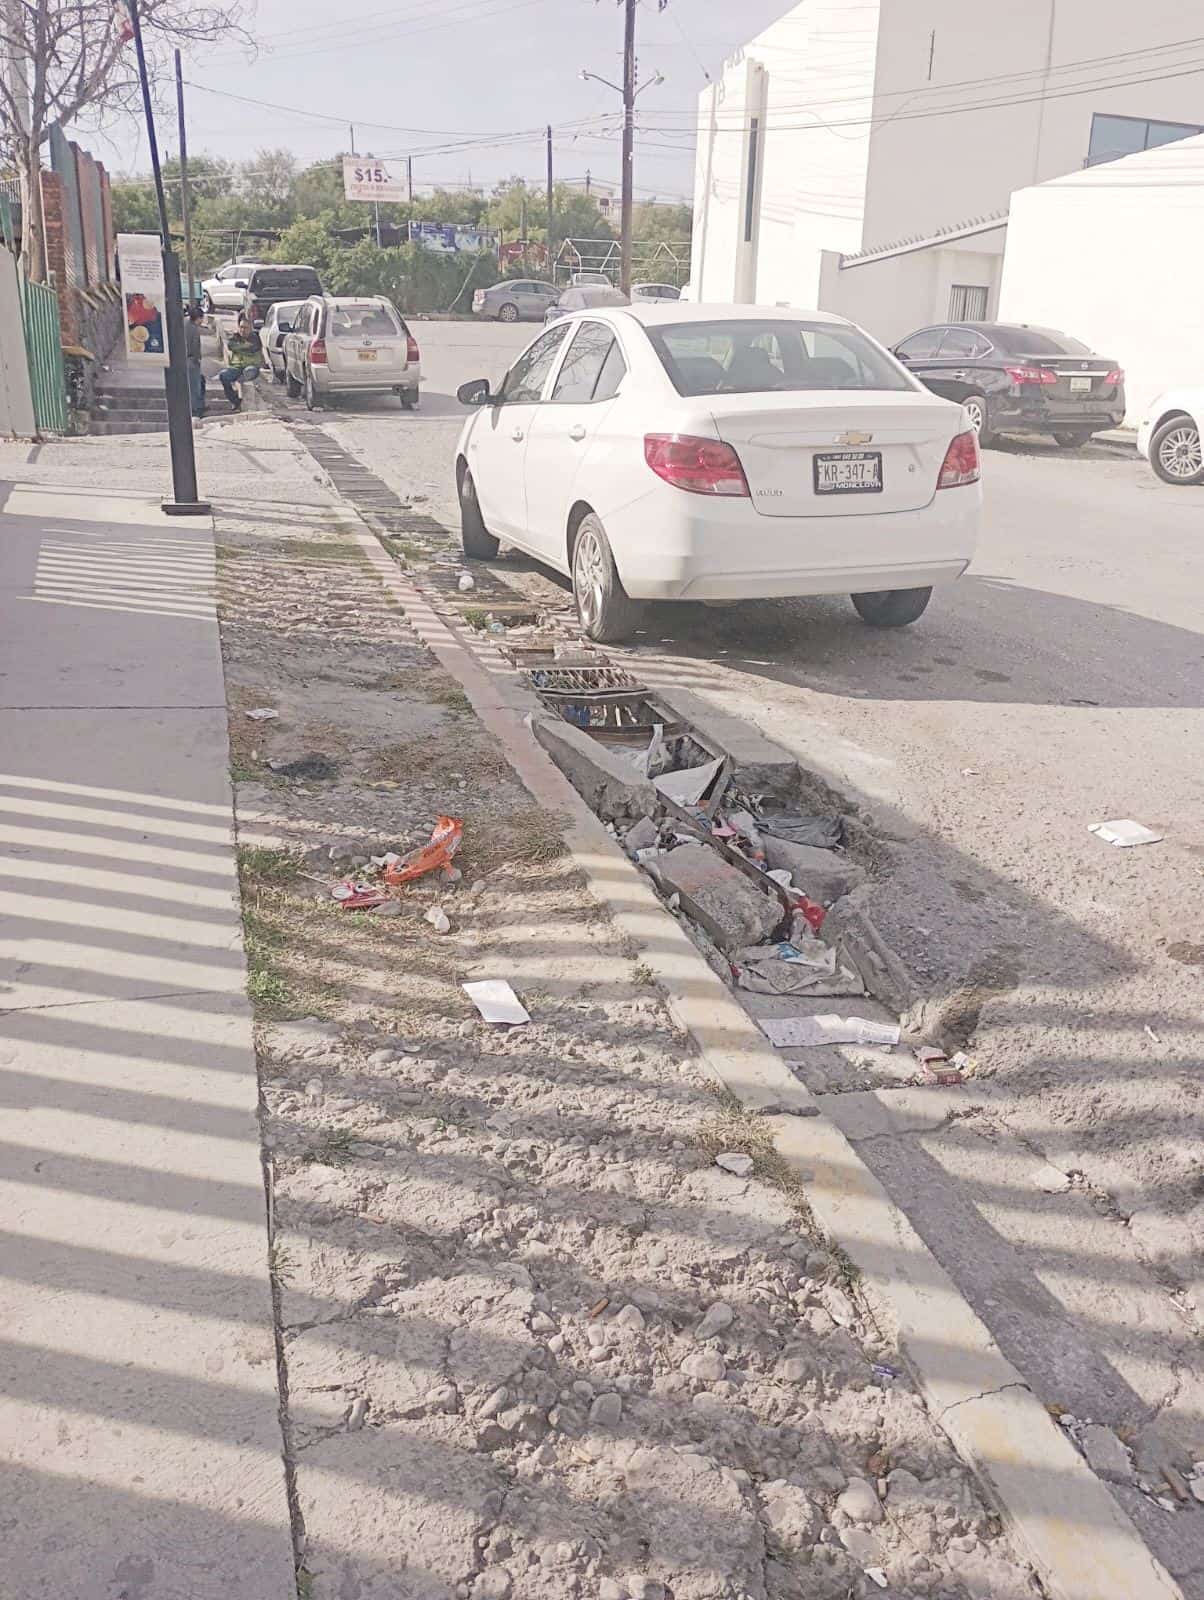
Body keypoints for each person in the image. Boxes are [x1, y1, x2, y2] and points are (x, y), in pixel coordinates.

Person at [218, 314, 263, 411]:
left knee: (248, 372)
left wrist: (239, 347)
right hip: (236, 367)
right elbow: (231, 346)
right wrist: (244, 346)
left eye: (245, 328)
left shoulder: (255, 338)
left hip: (251, 367)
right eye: (241, 327)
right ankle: (235, 401)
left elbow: (253, 347)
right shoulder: (235, 337)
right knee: (223, 376)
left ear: (250, 328)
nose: (243, 330)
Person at [184, 305, 205, 419]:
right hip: (191, 360)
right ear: (198, 318)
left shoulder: (183, 323)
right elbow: (196, 348)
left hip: (182, 360)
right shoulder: (194, 329)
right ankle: (196, 409)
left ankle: (195, 407)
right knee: (195, 386)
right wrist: (198, 359)